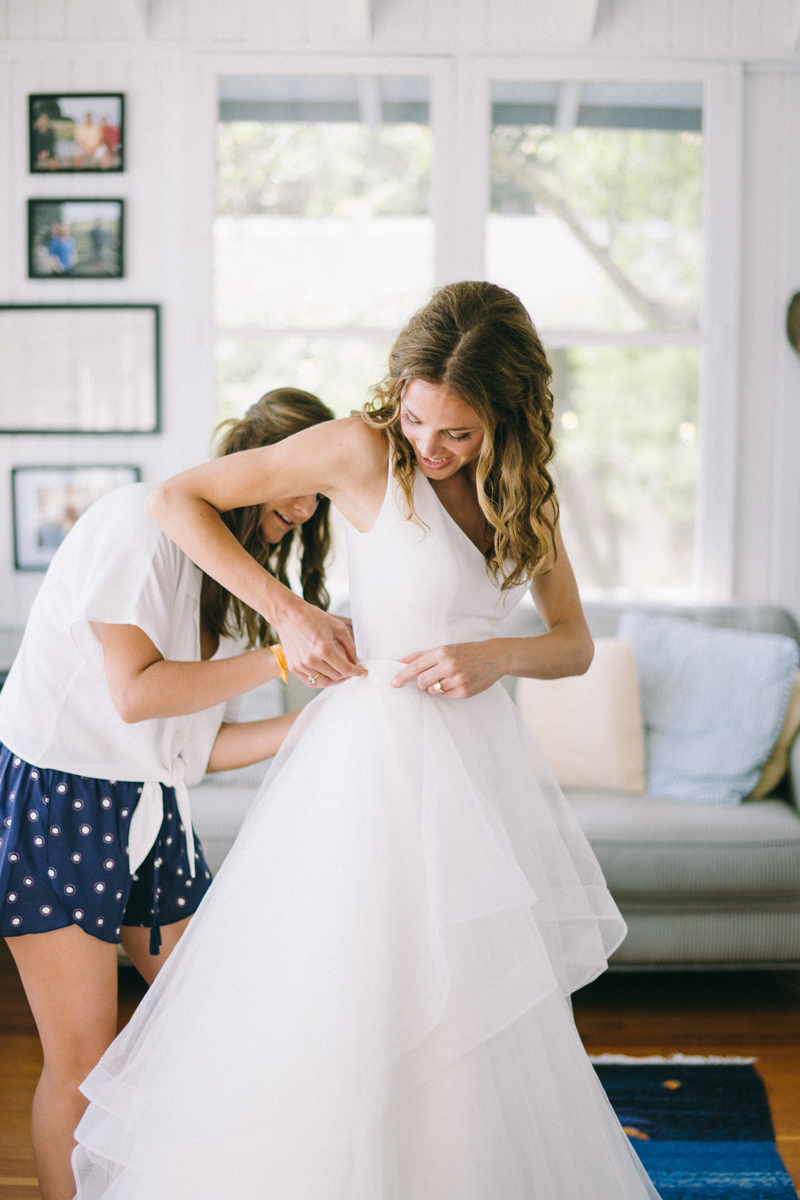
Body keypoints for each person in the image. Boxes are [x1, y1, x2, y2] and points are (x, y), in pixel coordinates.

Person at [72, 283, 661, 1199]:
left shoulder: (524, 493)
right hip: (369, 769)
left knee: (471, 1014)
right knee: (351, 998)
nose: (431, 446)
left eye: (458, 433)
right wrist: (290, 614)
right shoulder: (359, 448)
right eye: (420, 419)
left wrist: (497, 656)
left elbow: (574, 643)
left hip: (477, 771)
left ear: (507, 418)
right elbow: (176, 499)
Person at [0, 388, 337, 1200]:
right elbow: (138, 696)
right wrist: (287, 657)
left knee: (214, 1018)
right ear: (257, 464)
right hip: (59, 801)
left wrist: (326, 721)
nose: (300, 512)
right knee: (82, 1056)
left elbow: (190, 749)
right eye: (299, 493)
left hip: (148, 808)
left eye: (312, 508)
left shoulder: (221, 583)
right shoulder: (133, 525)